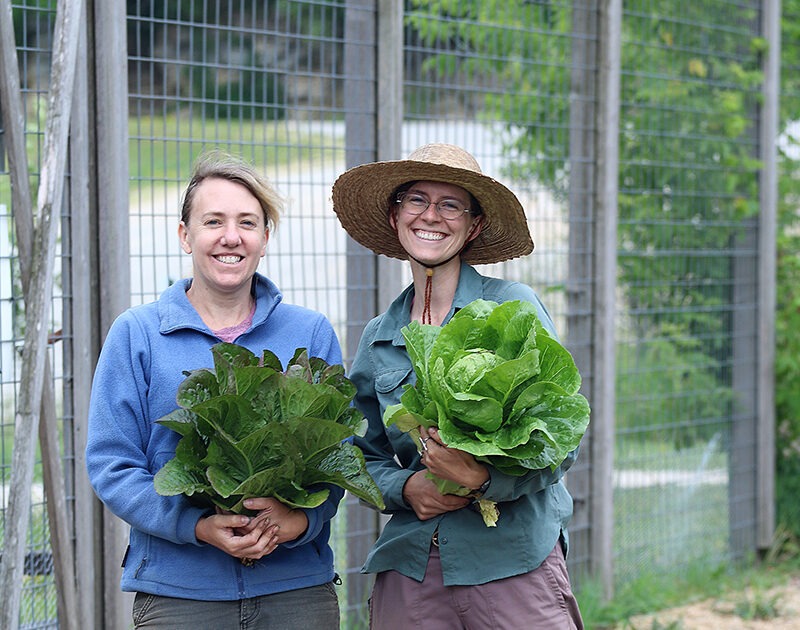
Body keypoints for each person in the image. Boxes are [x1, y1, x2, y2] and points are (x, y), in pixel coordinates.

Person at [86, 150, 343, 629]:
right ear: (185, 236)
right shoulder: (137, 334)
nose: (231, 237)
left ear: (266, 237)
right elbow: (111, 464)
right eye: (213, 221)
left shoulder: (310, 334)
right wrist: (197, 526)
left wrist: (301, 521)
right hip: (179, 597)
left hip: (296, 592)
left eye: (248, 222)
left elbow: (338, 453)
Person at [331, 143, 584, 629]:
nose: (432, 216)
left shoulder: (513, 307)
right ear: (394, 215)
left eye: (451, 205)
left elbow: (562, 436)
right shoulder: (379, 336)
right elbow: (355, 452)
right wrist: (407, 486)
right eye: (417, 201)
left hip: (513, 559)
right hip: (413, 564)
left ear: (475, 226)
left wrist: (484, 480)